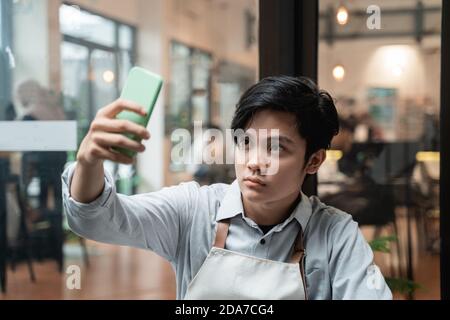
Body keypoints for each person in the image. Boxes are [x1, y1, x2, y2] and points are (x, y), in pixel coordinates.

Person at [62, 76, 392, 300]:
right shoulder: (193, 210)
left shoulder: (335, 234)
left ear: (314, 161)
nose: (255, 161)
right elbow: (94, 220)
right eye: (246, 143)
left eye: (277, 148)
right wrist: (89, 162)